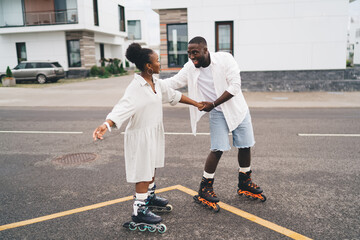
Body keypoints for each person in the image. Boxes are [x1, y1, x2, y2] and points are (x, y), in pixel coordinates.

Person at [93, 43, 203, 230]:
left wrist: (196, 103)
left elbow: (175, 96)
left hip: (153, 132)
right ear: (148, 66)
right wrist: (106, 124)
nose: (160, 63)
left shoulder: (157, 84)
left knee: (151, 168)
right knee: (143, 173)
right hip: (140, 136)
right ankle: (139, 211)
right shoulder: (135, 87)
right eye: (157, 61)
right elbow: (123, 107)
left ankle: (149, 197)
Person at [164, 36, 264, 208]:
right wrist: (151, 83)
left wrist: (214, 103)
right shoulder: (190, 67)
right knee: (218, 149)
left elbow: (235, 86)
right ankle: (205, 187)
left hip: (237, 109)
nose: (191, 56)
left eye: (195, 52)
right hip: (217, 113)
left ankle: (245, 181)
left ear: (205, 50)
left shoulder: (225, 60)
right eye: (189, 53)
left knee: (245, 145)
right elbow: (174, 82)